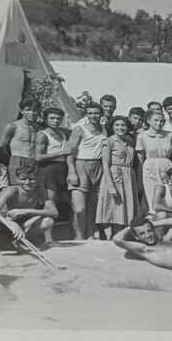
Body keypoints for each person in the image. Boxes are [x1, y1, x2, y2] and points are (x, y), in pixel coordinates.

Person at [0, 165, 58, 256]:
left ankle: (18, 241)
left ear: (37, 179)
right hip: (2, 225)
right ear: (17, 180)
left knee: (48, 221)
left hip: (21, 226)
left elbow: (54, 212)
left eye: (31, 179)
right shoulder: (12, 190)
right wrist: (9, 222)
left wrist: (27, 211)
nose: (27, 182)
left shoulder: (39, 190)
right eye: (23, 179)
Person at [94, 116, 142, 236]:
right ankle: (111, 237)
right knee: (114, 210)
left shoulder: (130, 141)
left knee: (127, 210)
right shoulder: (108, 141)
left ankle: (124, 236)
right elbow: (105, 164)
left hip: (129, 177)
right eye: (117, 125)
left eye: (123, 125)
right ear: (112, 127)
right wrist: (111, 186)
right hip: (115, 177)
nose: (120, 128)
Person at [67, 103, 107, 240]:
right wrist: (71, 171)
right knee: (79, 209)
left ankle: (90, 235)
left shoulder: (103, 129)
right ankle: (79, 237)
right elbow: (70, 152)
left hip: (98, 167)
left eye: (96, 113)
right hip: (81, 165)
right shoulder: (80, 129)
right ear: (86, 114)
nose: (93, 116)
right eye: (90, 113)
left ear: (101, 114)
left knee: (93, 208)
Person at [136, 110, 172, 213]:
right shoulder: (142, 136)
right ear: (148, 121)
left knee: (167, 196)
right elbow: (140, 159)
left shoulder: (169, 135)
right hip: (150, 168)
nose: (159, 123)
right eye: (156, 120)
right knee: (151, 197)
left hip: (167, 167)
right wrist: (140, 177)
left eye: (162, 121)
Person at [34, 106, 71, 216]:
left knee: (68, 201)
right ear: (46, 119)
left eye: (58, 119)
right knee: (50, 203)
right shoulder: (42, 135)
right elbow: (38, 157)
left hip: (63, 170)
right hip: (49, 170)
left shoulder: (63, 133)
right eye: (52, 118)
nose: (55, 121)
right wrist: (61, 152)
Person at [0, 98, 40, 171]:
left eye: (35, 110)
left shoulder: (38, 128)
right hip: (17, 160)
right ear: (22, 111)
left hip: (34, 161)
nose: (32, 113)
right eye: (28, 110)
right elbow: (3, 146)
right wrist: (13, 160)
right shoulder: (13, 126)